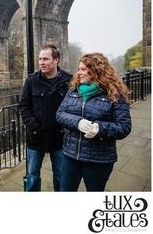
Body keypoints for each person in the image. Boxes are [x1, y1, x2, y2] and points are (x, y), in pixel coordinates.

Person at [56, 53, 131, 191]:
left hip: (99, 158)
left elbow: (124, 126)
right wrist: (78, 122)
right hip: (71, 155)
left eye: (83, 69)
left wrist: (99, 128)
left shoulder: (115, 93)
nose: (79, 73)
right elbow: (60, 114)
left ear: (96, 70)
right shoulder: (73, 90)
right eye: (79, 69)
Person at [19, 44, 72, 191]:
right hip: (36, 137)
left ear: (56, 60)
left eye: (45, 59)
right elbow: (23, 106)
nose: (41, 62)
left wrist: (65, 128)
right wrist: (34, 127)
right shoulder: (31, 81)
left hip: (60, 138)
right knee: (32, 175)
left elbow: (74, 108)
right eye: (40, 59)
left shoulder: (69, 81)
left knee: (61, 175)